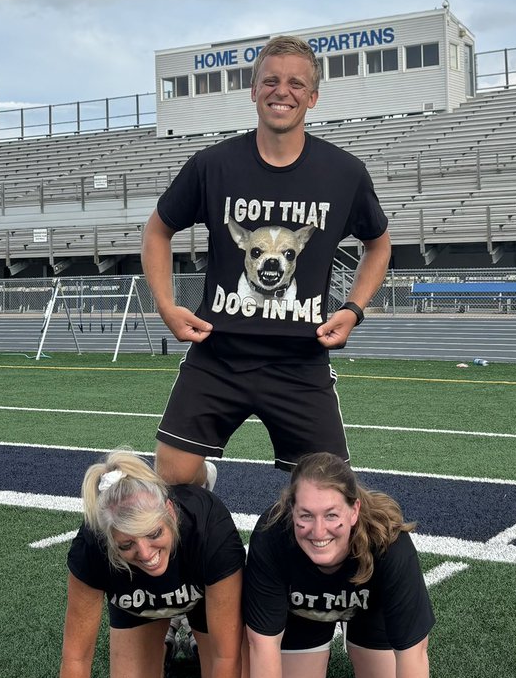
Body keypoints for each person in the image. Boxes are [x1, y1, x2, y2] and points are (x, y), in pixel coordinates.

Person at [141, 34, 391, 487]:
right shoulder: (212, 165)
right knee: (173, 478)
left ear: (312, 97)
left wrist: (353, 310)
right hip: (219, 351)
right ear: (253, 89)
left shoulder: (343, 173)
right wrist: (165, 304)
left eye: (297, 84)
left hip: (300, 359)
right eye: (271, 81)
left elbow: (380, 244)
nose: (283, 91)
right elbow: (157, 230)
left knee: (328, 492)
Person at [239, 452, 440, 678]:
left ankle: (352, 645)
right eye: (305, 516)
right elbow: (262, 645)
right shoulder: (272, 536)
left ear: (354, 511)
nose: (319, 531)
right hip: (302, 612)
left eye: (331, 515)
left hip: (366, 609)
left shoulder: (388, 543)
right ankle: (315, 650)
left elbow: (414, 652)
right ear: (291, 511)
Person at [45, 450, 249, 678]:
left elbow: (229, 655)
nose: (145, 552)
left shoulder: (209, 526)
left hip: (199, 597)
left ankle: (188, 628)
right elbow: (76, 655)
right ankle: (170, 635)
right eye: (126, 544)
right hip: (141, 603)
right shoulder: (92, 544)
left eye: (153, 533)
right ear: (109, 539)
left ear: (169, 513)